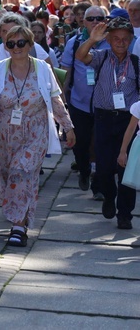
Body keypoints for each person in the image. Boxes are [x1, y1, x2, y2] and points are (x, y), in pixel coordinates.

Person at [0, 26, 75, 247]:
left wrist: (68, 127)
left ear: (30, 45)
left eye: (21, 43)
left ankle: (19, 226)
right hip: (2, 134)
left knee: (22, 172)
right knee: (7, 174)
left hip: (35, 131)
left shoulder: (42, 69)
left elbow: (55, 100)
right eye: (11, 44)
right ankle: (15, 212)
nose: (16, 48)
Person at [75, 17, 139, 230]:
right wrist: (92, 40)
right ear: (109, 40)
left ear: (131, 40)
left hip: (128, 121)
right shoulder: (101, 57)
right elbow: (80, 56)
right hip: (103, 119)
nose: (120, 42)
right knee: (103, 168)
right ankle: (109, 196)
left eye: (125, 39)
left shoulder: (136, 63)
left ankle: (125, 215)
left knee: (126, 169)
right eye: (116, 39)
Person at [61, 6, 110, 197]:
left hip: (104, 105)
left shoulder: (112, 42)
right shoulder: (74, 43)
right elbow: (66, 73)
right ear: (84, 21)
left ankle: (98, 185)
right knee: (80, 143)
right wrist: (62, 102)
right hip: (79, 103)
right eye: (91, 18)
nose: (96, 21)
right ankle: (83, 170)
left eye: (100, 18)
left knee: (101, 144)